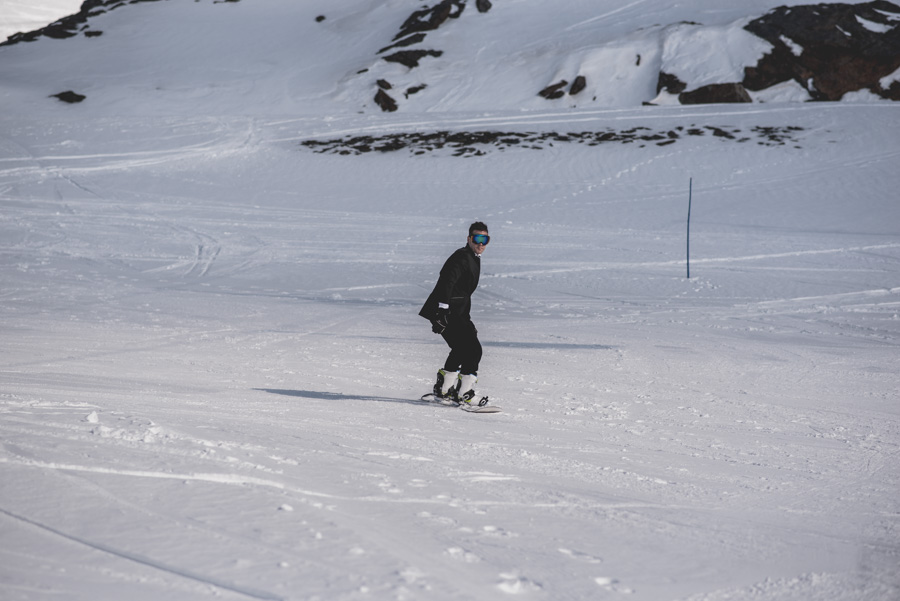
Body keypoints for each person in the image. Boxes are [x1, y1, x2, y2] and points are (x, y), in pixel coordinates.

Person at [419, 222, 490, 404]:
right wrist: (442, 312)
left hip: (458, 312)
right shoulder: (461, 257)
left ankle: (444, 390)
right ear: (469, 239)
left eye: (485, 239)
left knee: (462, 348)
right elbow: (446, 283)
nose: (481, 243)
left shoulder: (472, 257)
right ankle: (464, 394)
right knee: (473, 350)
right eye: (477, 238)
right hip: (447, 311)